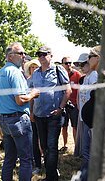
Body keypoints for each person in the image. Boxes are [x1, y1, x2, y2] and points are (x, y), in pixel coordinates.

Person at [0, 42, 40, 181]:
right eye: (20, 53)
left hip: (5, 121)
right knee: (26, 160)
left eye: (23, 53)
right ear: (9, 56)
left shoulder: (0, 73)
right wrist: (33, 94)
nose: (24, 56)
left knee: (9, 158)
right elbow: (20, 100)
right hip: (18, 120)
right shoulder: (15, 72)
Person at [29, 46, 72, 181]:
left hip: (54, 115)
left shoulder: (58, 70)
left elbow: (68, 90)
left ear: (50, 55)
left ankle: (51, 177)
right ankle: (51, 172)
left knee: (52, 146)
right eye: (39, 54)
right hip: (39, 115)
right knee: (44, 146)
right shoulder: (35, 73)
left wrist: (60, 108)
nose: (41, 57)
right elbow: (32, 93)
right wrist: (31, 112)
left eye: (44, 54)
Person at [78, 46, 100, 181]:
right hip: (85, 118)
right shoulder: (86, 77)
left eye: (89, 57)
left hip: (93, 121)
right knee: (85, 150)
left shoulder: (95, 76)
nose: (82, 65)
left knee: (90, 151)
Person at [59, 56, 82, 153]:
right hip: (63, 104)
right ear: (62, 64)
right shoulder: (60, 74)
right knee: (64, 126)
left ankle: (76, 146)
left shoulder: (77, 74)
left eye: (70, 62)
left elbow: (81, 89)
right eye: (66, 63)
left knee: (74, 126)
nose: (68, 65)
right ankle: (65, 145)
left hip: (74, 104)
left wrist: (78, 103)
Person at [24, 59, 42, 175]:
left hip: (44, 112)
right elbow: (28, 99)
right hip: (33, 113)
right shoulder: (28, 81)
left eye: (36, 67)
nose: (34, 69)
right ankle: (38, 164)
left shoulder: (42, 79)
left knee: (44, 140)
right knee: (34, 140)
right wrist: (31, 112)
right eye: (32, 67)